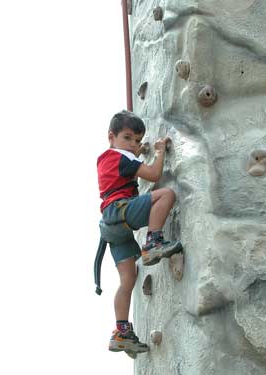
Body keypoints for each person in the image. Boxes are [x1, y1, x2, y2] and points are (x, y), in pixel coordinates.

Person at [95, 110, 183, 354]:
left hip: (109, 226)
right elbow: (154, 174)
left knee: (128, 279)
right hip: (120, 211)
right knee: (166, 194)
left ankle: (121, 332)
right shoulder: (123, 159)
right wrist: (160, 151)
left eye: (137, 140)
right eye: (127, 138)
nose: (133, 144)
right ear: (111, 137)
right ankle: (153, 242)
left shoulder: (104, 160)